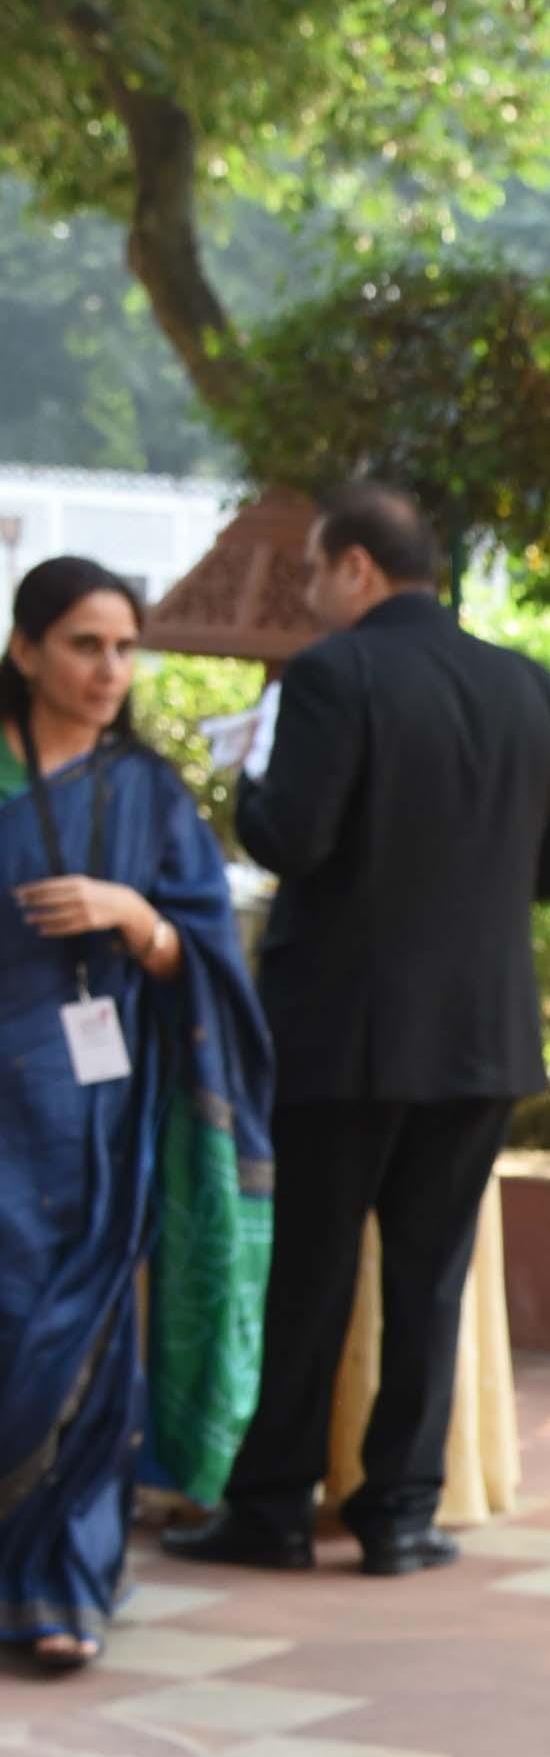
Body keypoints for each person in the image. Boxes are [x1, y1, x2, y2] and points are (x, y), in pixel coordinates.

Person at [165, 483, 550, 1580]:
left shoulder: (330, 674)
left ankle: (269, 1507)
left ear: (358, 567)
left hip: (344, 1030)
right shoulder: (525, 684)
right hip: (482, 1037)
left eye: (316, 573)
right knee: (428, 1278)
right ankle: (399, 1514)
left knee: (309, 1274)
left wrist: (245, 773)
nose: (311, 596)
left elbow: (287, 838)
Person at [0, 557, 274, 1669]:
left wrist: (137, 917)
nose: (110, 668)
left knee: (86, 1340)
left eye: (125, 647)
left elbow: (202, 950)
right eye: (84, 644)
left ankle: (64, 1582)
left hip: (93, 1117)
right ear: (25, 652)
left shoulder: (147, 793)